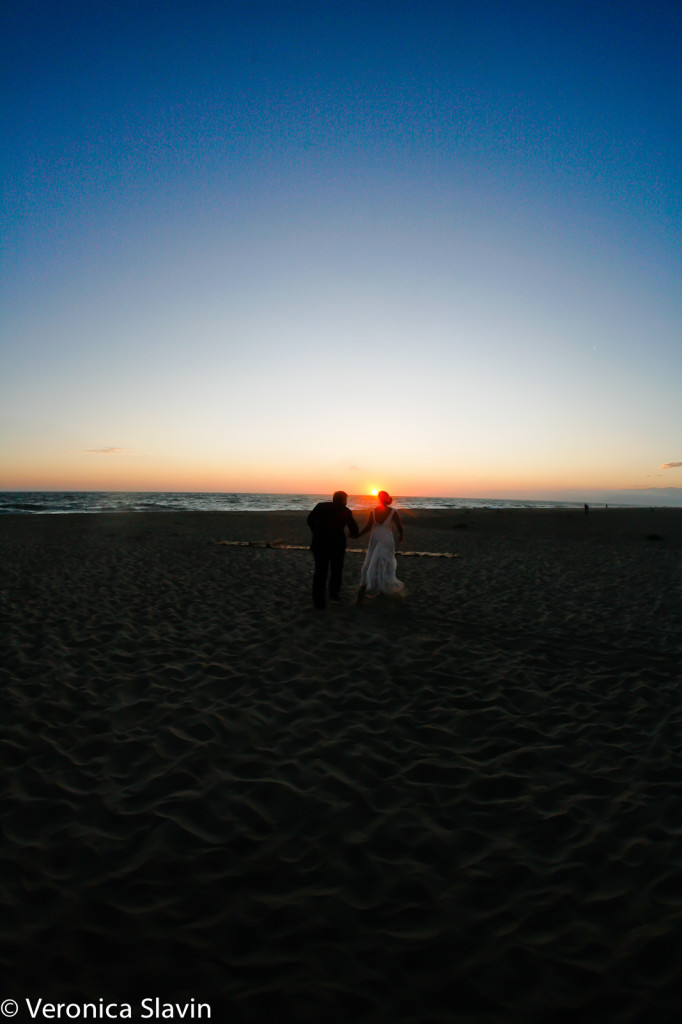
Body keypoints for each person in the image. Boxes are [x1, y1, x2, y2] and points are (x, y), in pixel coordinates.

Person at [307, 491, 359, 609]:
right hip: (337, 545)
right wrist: (353, 534)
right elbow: (354, 528)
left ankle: (318, 601)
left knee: (320, 571)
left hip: (319, 544)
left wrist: (315, 532)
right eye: (346, 499)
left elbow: (309, 520)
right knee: (336, 570)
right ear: (342, 500)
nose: (346, 502)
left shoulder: (321, 506)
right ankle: (334, 593)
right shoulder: (345, 511)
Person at [356, 491, 404, 604]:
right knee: (384, 561)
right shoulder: (392, 511)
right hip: (385, 538)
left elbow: (368, 527)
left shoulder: (375, 511)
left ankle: (374, 587)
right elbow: (399, 526)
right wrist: (401, 535)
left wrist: (358, 535)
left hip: (376, 537)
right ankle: (381, 588)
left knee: (373, 560)